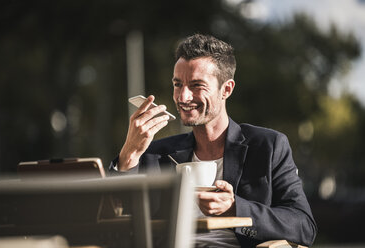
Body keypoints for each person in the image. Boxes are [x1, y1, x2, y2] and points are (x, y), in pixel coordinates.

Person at [110, 34, 317, 247]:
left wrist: (235, 207)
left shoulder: (268, 146)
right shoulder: (155, 154)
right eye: (177, 84)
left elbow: (303, 226)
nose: (183, 97)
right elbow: (112, 224)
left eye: (196, 85)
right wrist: (129, 154)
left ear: (226, 89)